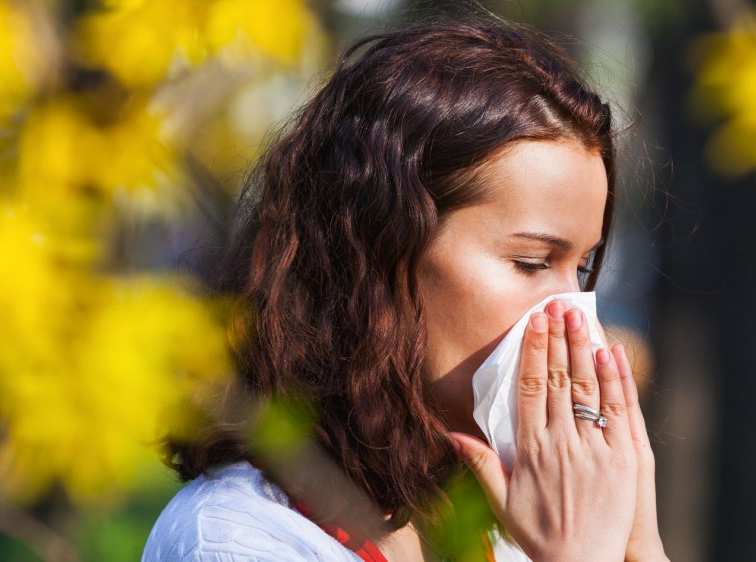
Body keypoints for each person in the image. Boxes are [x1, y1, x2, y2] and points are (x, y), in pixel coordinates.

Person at [142, 15, 667, 562]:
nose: (575, 320)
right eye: (532, 262)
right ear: (380, 252)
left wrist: (639, 546)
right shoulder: (234, 539)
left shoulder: (509, 523)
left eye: (580, 270)